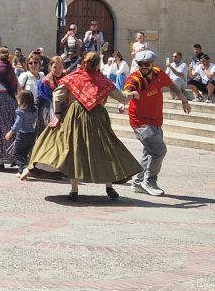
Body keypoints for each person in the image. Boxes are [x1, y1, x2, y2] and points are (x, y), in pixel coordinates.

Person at [22, 52, 141, 201]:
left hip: (75, 114)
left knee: (73, 149)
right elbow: (121, 97)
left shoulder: (73, 77)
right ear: (97, 65)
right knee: (104, 149)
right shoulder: (102, 80)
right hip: (97, 116)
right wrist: (133, 95)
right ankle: (109, 186)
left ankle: (74, 189)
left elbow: (57, 95)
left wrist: (57, 114)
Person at [123, 50, 191, 196]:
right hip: (140, 122)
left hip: (156, 120)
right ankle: (149, 181)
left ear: (152, 63)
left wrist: (184, 100)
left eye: (146, 64)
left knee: (149, 152)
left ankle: (138, 183)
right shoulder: (134, 78)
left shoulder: (159, 73)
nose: (143, 66)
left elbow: (172, 85)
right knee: (159, 150)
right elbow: (128, 90)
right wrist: (128, 97)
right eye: (140, 64)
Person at [5, 89, 45, 172]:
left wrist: (10, 132)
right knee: (23, 154)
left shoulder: (21, 112)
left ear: (22, 100)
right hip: (32, 134)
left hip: (22, 135)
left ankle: (24, 168)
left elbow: (18, 124)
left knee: (16, 154)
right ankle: (21, 172)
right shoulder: (35, 110)